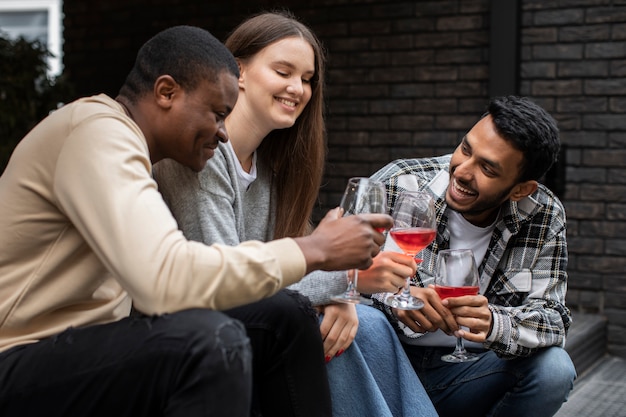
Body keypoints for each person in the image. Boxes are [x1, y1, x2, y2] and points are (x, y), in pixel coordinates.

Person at [0, 25, 393, 417]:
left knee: (284, 316)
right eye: (218, 115)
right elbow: (164, 280)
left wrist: (334, 288)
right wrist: (316, 250)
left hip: (86, 348)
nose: (223, 134)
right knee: (208, 343)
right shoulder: (96, 131)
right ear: (166, 92)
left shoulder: (134, 150)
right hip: (19, 356)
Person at [153, 11, 437, 417]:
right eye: (283, 71)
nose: (297, 89)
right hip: (194, 332)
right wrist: (346, 280)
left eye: (307, 79)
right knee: (328, 334)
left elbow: (298, 271)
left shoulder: (270, 168)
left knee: (365, 325)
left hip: (259, 320)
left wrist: (342, 293)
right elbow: (226, 288)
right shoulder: (204, 155)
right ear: (239, 72)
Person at [369, 95, 577, 417]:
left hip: (469, 372)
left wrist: (494, 322)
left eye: (487, 168)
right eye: (466, 149)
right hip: (387, 362)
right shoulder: (401, 183)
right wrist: (394, 299)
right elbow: (335, 272)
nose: (463, 171)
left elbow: (554, 320)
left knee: (555, 369)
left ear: (520, 189)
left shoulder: (543, 214)